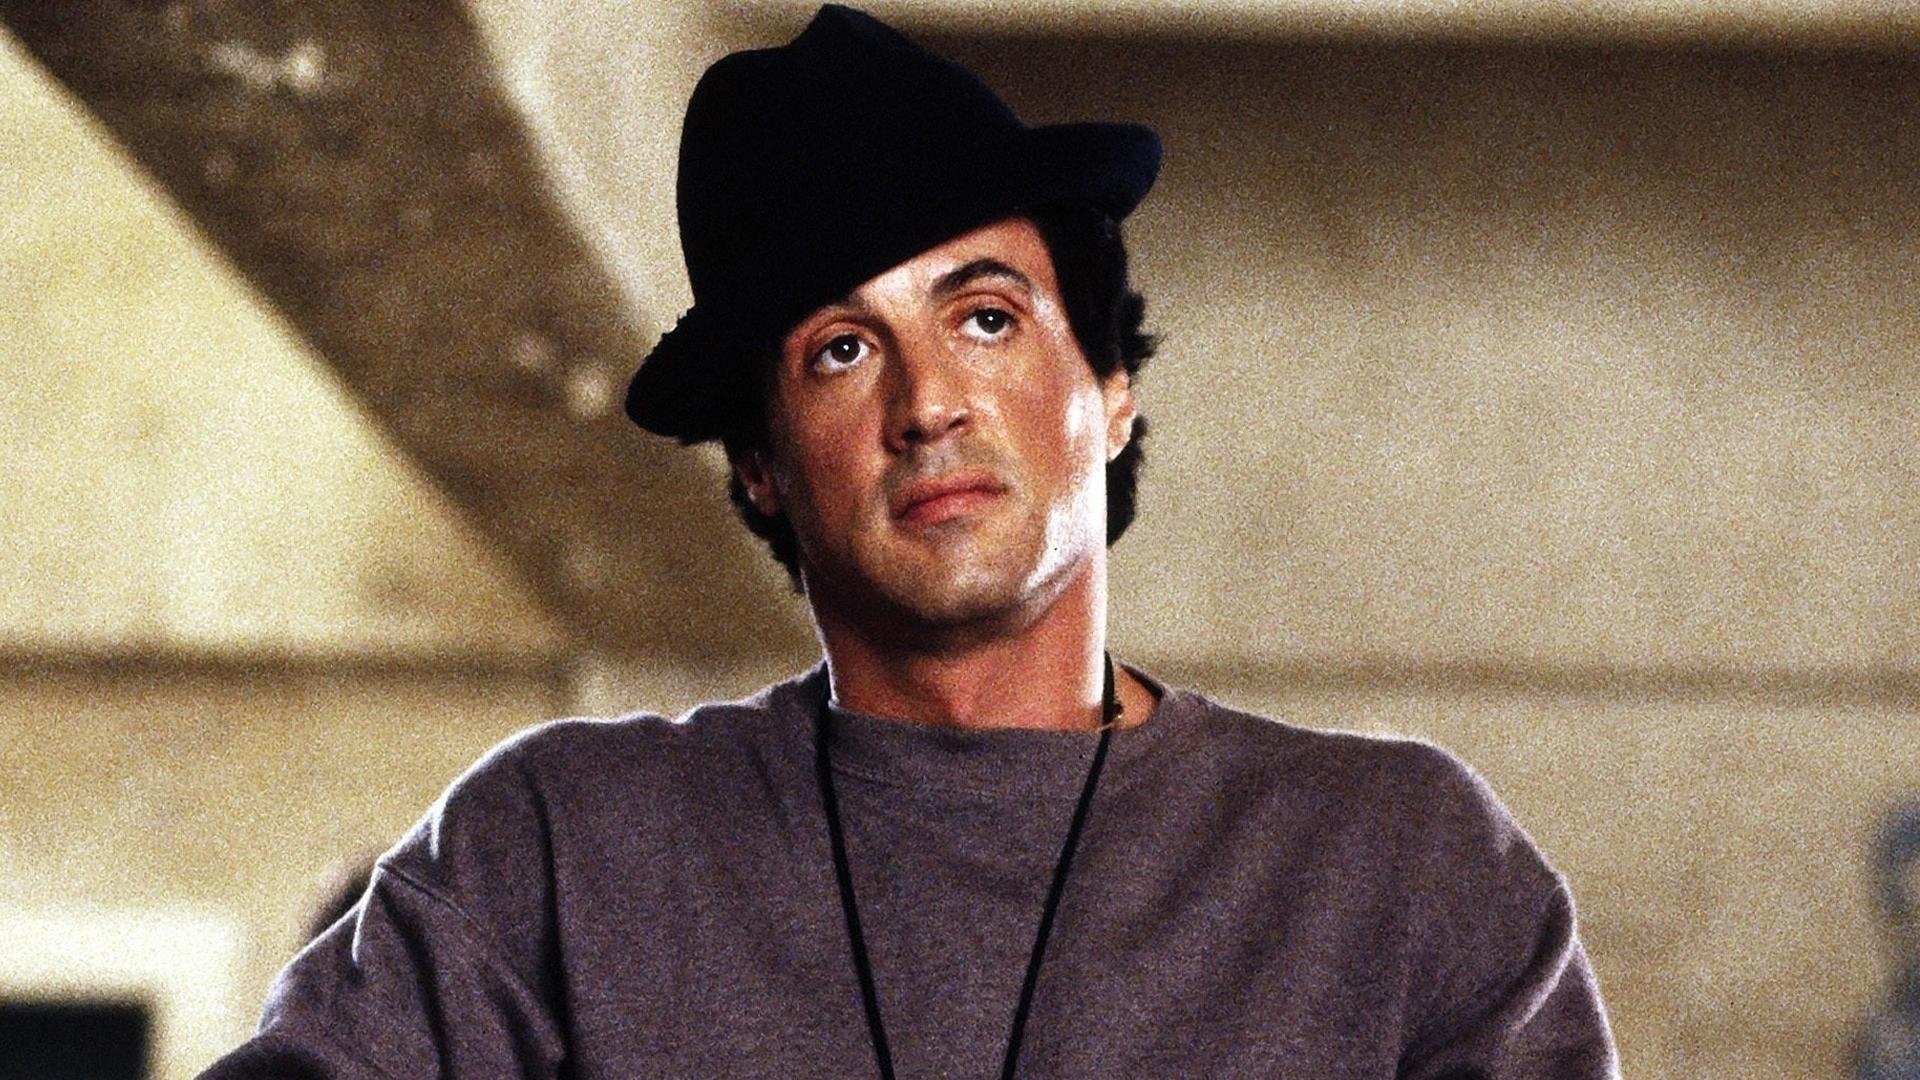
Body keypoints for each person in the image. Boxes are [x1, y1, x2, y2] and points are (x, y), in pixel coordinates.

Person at [203, 6, 1618, 1077]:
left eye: (985, 317)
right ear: (762, 468)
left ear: (1110, 391)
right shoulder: (560, 852)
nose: (927, 402)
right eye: (840, 350)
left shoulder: (1397, 866)